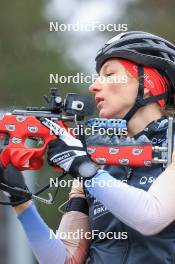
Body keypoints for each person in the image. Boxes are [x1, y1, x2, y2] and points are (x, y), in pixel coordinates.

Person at [2, 31, 175, 264]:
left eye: (109, 74)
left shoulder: (169, 146)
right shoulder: (97, 161)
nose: (94, 86)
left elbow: (150, 217)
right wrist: (20, 201)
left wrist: (83, 167)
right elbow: (64, 259)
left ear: (147, 85)